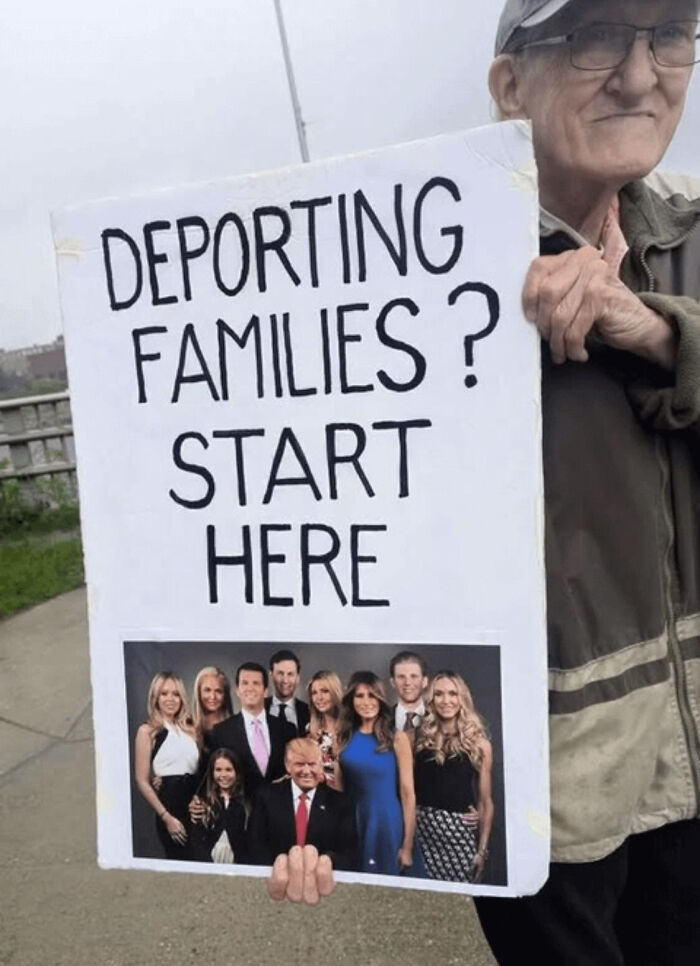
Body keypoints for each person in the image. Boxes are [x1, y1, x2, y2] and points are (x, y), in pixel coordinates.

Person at [471, 1, 700, 963]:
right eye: (599, 37)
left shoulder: (690, 234)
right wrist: (295, 820)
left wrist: (653, 330)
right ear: (509, 85)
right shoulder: (418, 274)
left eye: (671, 36)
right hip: (544, 801)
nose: (642, 76)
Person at [414, 672, 493, 883]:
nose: (446, 700)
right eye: (439, 694)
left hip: (456, 836)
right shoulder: (419, 737)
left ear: (462, 699)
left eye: (452, 694)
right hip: (420, 834)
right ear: (431, 699)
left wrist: (482, 851)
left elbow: (485, 801)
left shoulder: (479, 744)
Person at [336, 671, 417, 876]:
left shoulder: (397, 738)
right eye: (359, 696)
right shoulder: (342, 738)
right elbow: (337, 787)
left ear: (381, 698)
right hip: (352, 820)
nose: (366, 702)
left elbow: (408, 794)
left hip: (386, 821)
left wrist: (407, 846)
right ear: (351, 700)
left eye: (372, 695)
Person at [248, 738, 357, 870]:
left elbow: (348, 853)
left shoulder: (340, 803)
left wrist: (324, 864)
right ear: (287, 766)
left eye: (312, 764)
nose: (306, 771)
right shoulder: (266, 798)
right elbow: (256, 847)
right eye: (299, 764)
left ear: (322, 765)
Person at [205, 661, 296, 804]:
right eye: (245, 683)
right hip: (240, 814)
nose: (250, 688)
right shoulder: (221, 732)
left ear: (266, 690)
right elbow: (211, 778)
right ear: (237, 690)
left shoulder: (287, 729)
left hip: (280, 811)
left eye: (256, 683)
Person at [134, 671, 200, 860]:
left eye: (176, 694)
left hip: (195, 806)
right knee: (182, 859)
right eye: (164, 693)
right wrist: (166, 817)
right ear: (155, 697)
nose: (170, 699)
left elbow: (199, 768)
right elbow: (141, 780)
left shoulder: (190, 729)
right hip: (171, 808)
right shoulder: (147, 731)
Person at [189, 748, 247, 864]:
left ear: (237, 772)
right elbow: (197, 840)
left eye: (228, 770)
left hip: (235, 860)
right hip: (209, 859)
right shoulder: (204, 803)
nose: (223, 775)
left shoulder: (243, 804)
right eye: (218, 770)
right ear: (212, 772)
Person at [306, 670, 343, 784]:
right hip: (325, 796)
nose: (319, 698)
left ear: (335, 692)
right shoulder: (311, 731)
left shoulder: (352, 727)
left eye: (325, 691)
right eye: (314, 693)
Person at [265, 649, 310, 736]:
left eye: (290, 674)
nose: (285, 680)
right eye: (280, 673)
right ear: (271, 676)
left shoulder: (309, 712)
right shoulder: (258, 708)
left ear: (297, 678)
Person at [389, 651, 429, 731]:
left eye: (413, 676)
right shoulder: (382, 720)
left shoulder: (437, 720)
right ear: (393, 682)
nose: (407, 682)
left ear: (424, 681)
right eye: (401, 677)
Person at [191, 666, 233, 737]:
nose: (213, 696)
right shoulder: (186, 726)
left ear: (225, 695)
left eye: (218, 691)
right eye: (207, 690)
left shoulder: (236, 726)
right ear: (198, 692)